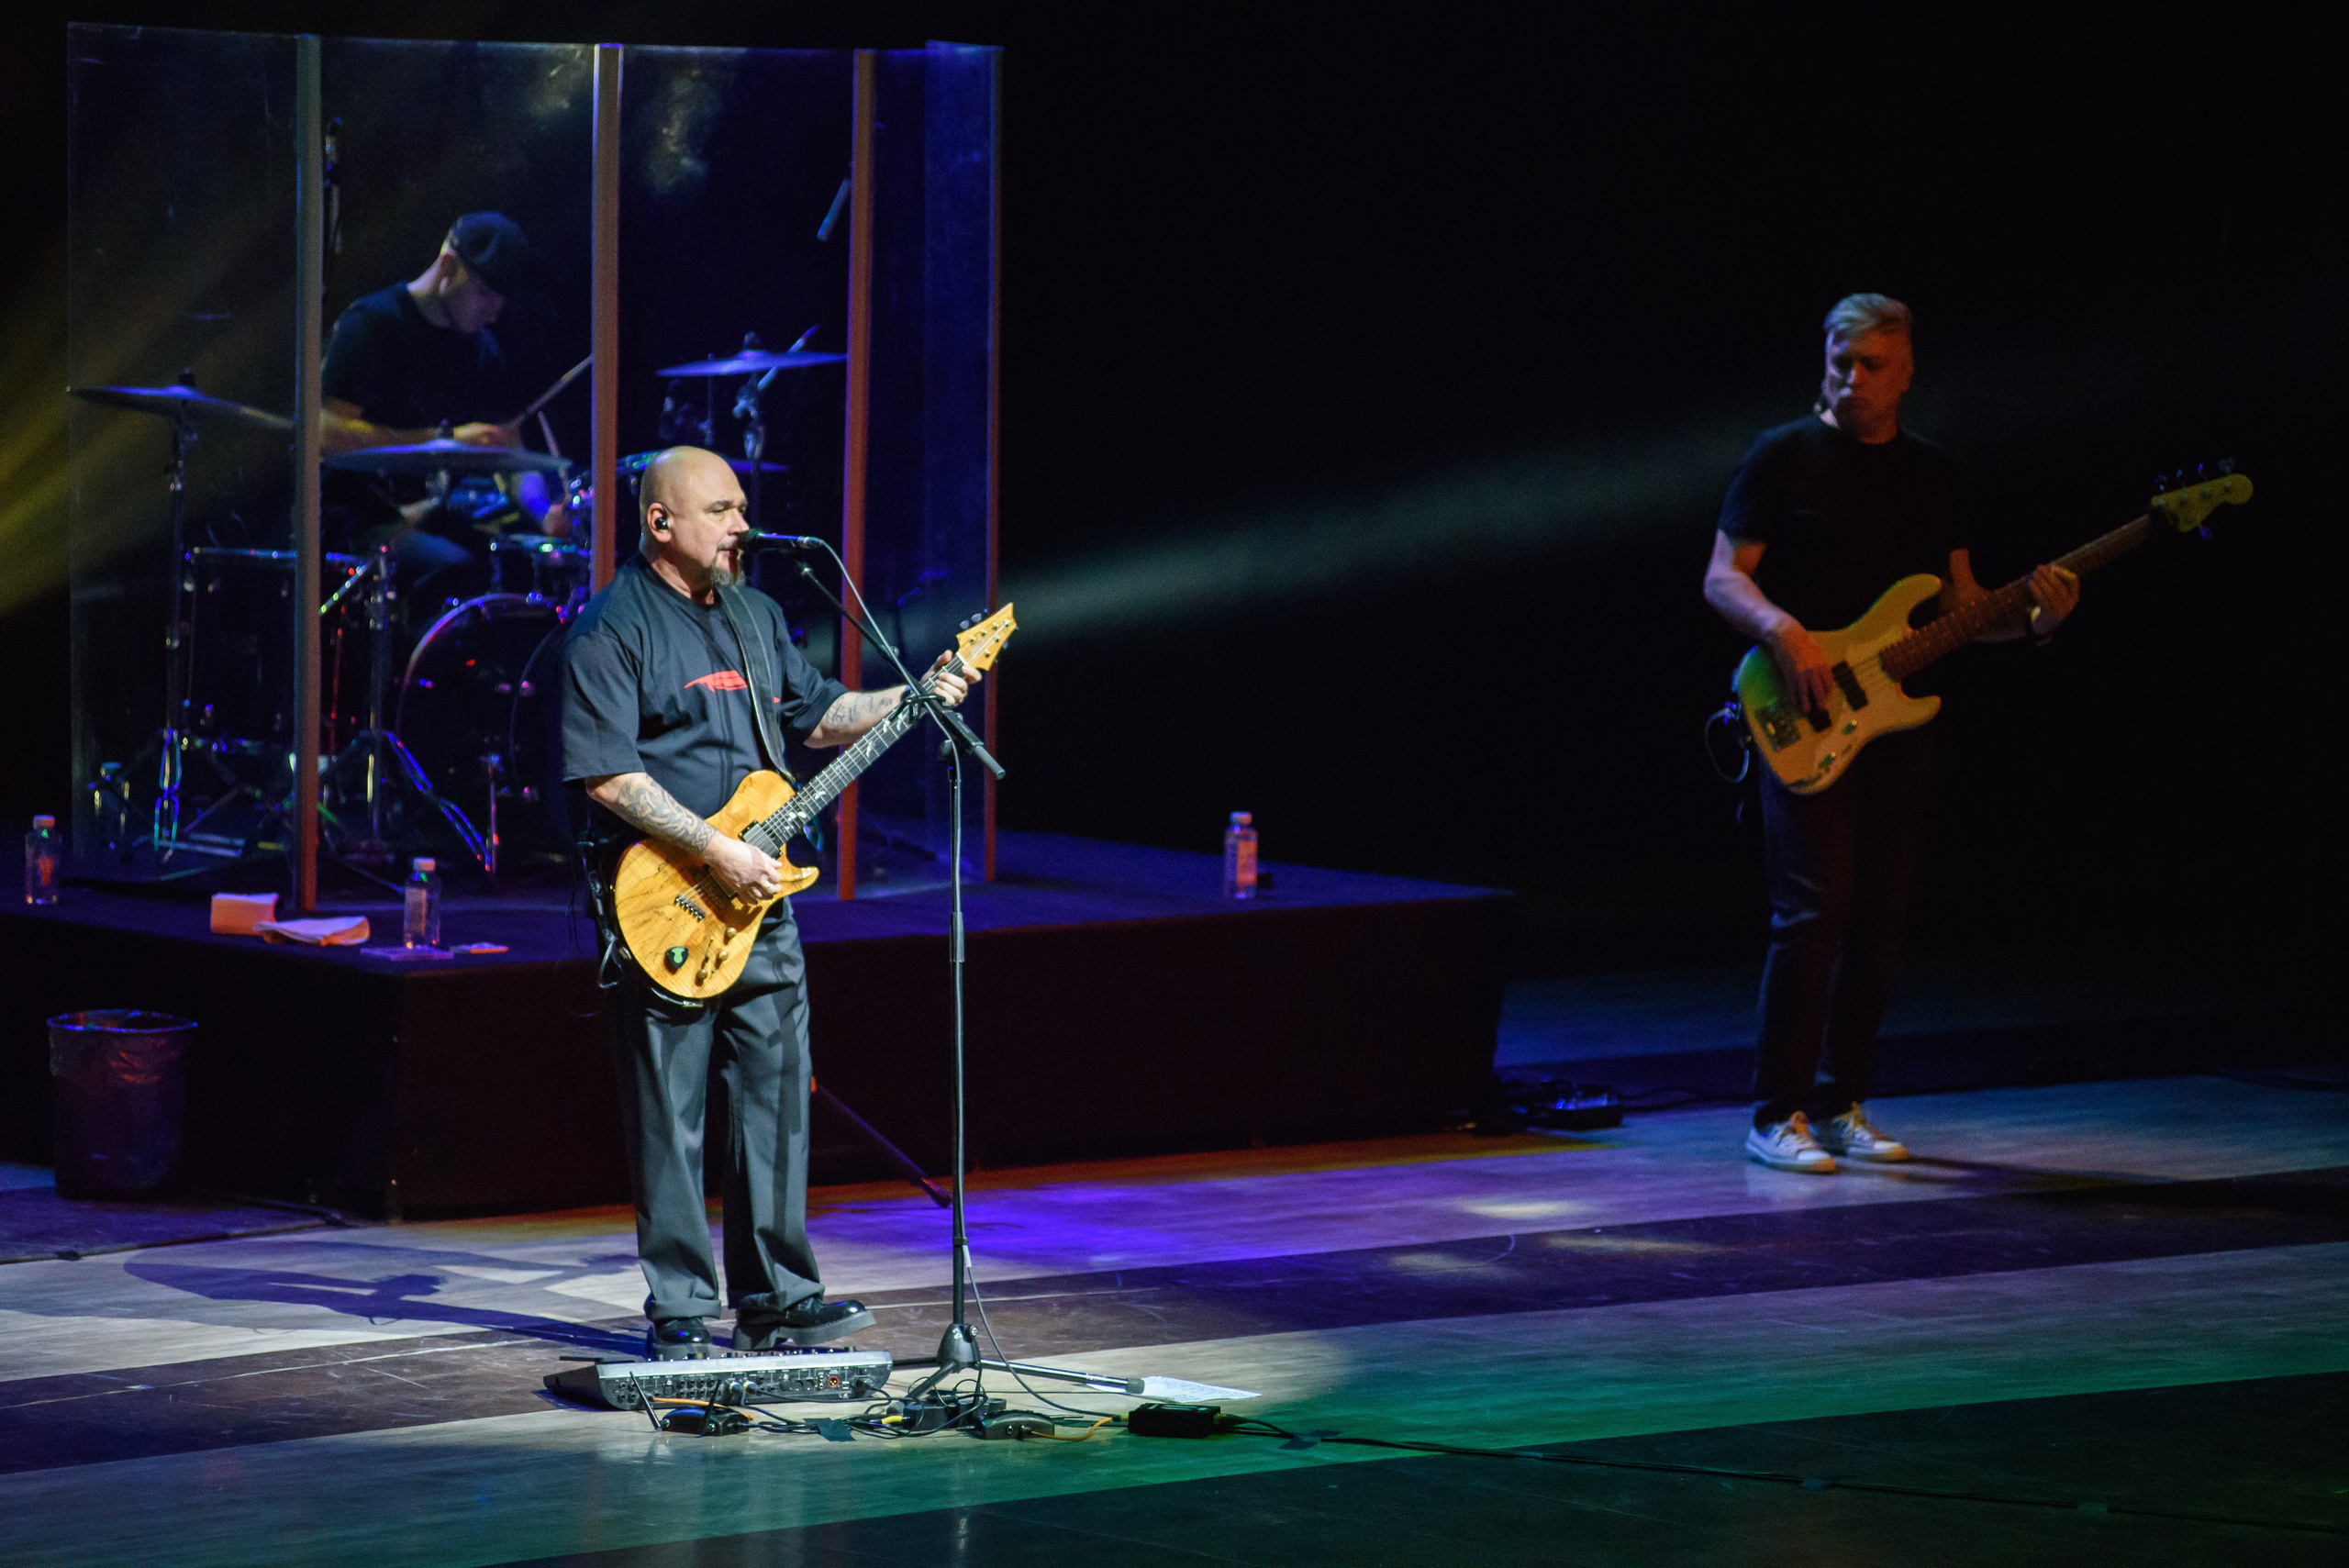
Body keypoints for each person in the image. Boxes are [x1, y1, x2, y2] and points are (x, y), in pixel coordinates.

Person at [561, 446, 977, 1360]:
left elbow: (818, 715)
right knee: (670, 1111)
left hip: (763, 899)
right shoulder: (612, 627)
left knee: (778, 1095)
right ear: (659, 522)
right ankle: (679, 1303)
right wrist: (712, 847)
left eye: (743, 507)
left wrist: (917, 697)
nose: (741, 524)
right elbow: (604, 773)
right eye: (720, 510)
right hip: (663, 898)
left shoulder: (755, 615)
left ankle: (778, 1295)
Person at [1701, 294, 2080, 1174]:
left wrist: (2032, 619)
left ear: (1905, 373)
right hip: (1802, 707)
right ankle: (1775, 1113)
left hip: (1897, 715)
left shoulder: (1933, 473)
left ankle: (1839, 1102)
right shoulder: (1780, 456)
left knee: (1879, 916)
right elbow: (1723, 577)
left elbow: (1956, 605)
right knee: (1813, 910)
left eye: (1871, 364)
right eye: (1840, 359)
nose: (1851, 377)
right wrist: (1784, 631)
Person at [319, 212, 560, 597]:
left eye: (501, 301)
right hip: (354, 520)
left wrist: (544, 512)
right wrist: (443, 439)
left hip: (428, 517)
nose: (493, 313)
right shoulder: (371, 326)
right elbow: (326, 433)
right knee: (462, 569)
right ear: (448, 265)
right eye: (484, 293)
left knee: (519, 562)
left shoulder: (482, 350)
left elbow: (509, 451)